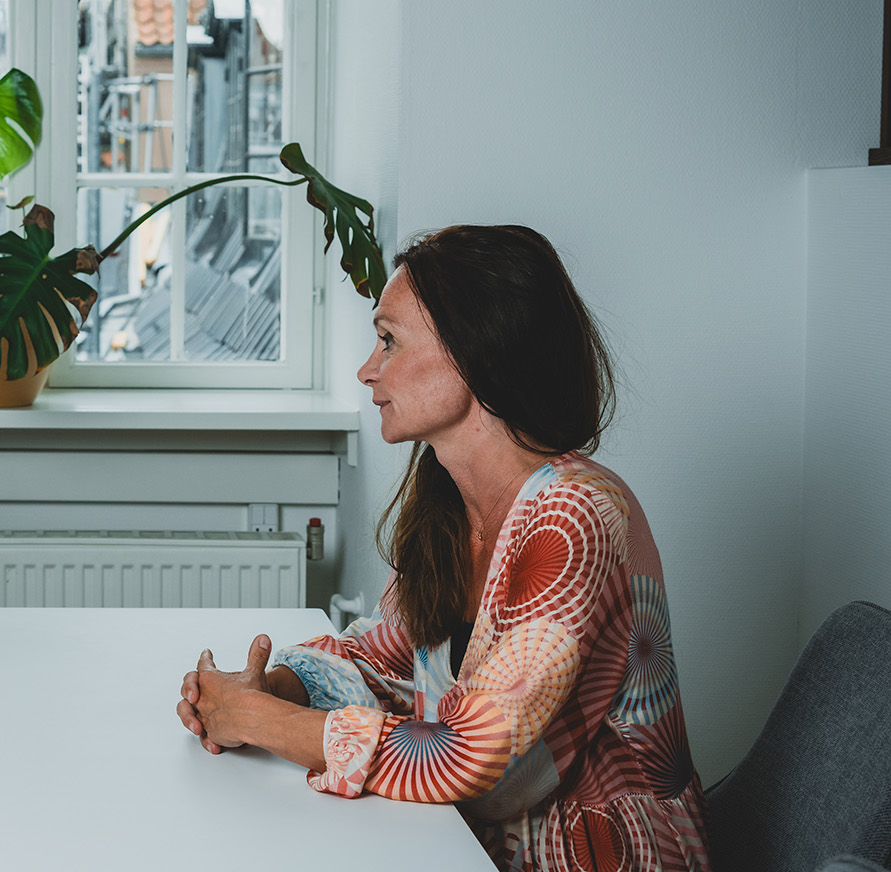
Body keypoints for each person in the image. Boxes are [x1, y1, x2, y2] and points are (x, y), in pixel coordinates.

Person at [175, 226, 709, 871]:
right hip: (461, 846)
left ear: (477, 354)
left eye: (389, 340)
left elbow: (475, 761)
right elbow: (381, 660)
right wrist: (270, 687)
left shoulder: (579, 515)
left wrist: (259, 720)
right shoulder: (452, 503)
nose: (367, 370)